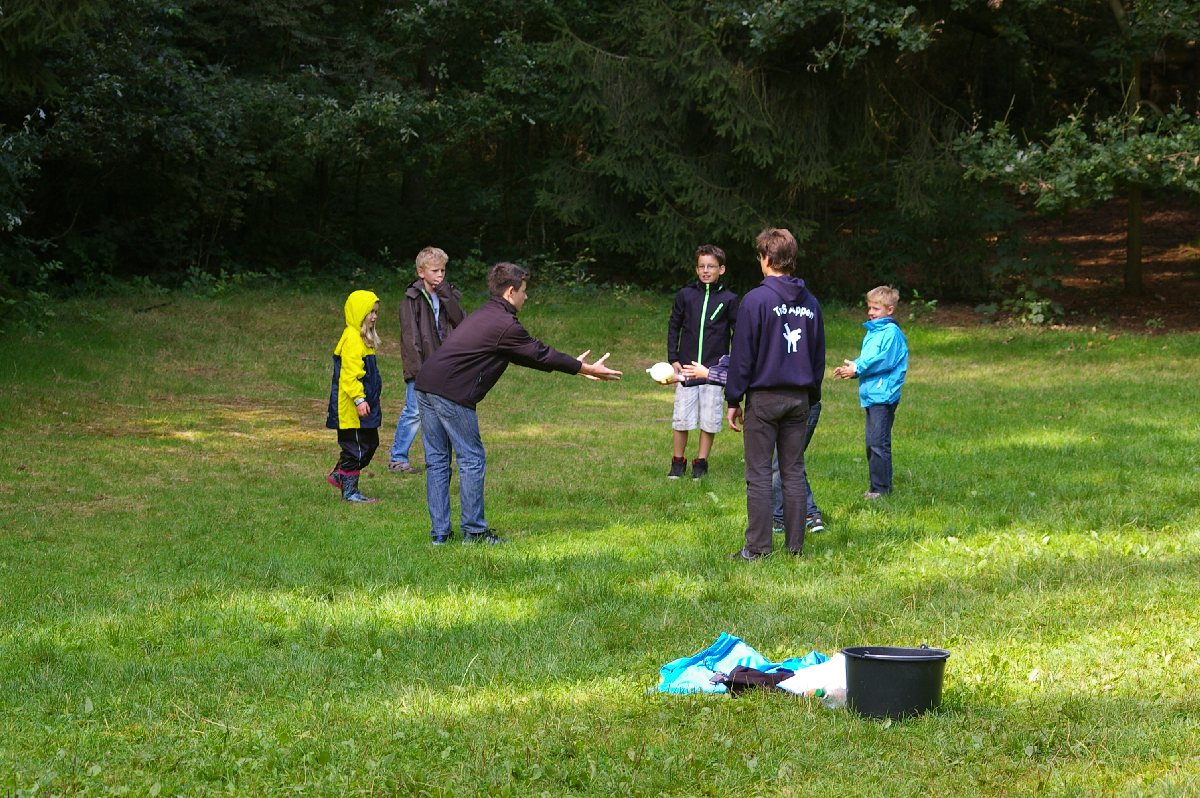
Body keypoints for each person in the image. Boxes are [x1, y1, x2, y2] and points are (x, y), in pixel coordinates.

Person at [414, 262, 622, 545]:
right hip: (450, 391)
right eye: (524, 291)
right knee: (471, 459)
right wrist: (583, 368)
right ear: (511, 292)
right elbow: (539, 352)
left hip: (426, 383)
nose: (527, 296)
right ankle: (474, 532)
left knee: (438, 461)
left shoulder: (487, 314)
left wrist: (576, 368)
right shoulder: (504, 324)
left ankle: (440, 535)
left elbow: (525, 354)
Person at [724, 228, 825, 560]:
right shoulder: (811, 303)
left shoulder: (756, 300)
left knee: (759, 473)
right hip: (799, 398)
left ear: (766, 258)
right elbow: (818, 354)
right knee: (793, 471)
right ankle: (795, 547)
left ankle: (757, 548)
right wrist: (812, 394)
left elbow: (742, 355)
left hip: (765, 398)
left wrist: (733, 398)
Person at [683, 356, 826, 534]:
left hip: (797, 404)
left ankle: (797, 517)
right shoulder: (754, 343)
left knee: (784, 465)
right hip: (789, 402)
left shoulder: (775, 346)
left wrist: (709, 374)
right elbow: (735, 364)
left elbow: (753, 378)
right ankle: (792, 517)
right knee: (788, 464)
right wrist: (685, 377)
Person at [388, 246, 465, 475]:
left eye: (443, 271)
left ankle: (440, 458)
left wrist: (446, 295)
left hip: (446, 365)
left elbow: (462, 322)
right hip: (421, 367)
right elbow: (409, 338)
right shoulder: (411, 299)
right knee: (414, 411)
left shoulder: (449, 294)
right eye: (435, 271)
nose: (440, 275)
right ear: (421, 272)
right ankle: (398, 458)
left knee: (445, 410)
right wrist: (417, 371)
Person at [665, 244, 739, 479]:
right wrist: (673, 357)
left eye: (711, 266)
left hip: (712, 371)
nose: (706, 271)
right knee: (681, 418)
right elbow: (674, 326)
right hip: (687, 368)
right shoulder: (685, 295)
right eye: (702, 266)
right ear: (697, 269)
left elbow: (737, 334)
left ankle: (701, 462)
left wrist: (730, 364)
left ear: (721, 269)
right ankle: (678, 462)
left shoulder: (729, 299)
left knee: (709, 419)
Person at [832, 285, 909, 499]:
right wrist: (853, 366)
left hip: (883, 395)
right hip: (873, 394)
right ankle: (878, 487)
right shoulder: (874, 332)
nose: (871, 312)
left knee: (878, 443)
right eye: (869, 308)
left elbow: (883, 360)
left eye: (876, 308)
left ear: (890, 310)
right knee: (872, 442)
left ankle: (881, 490)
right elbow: (869, 358)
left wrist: (858, 368)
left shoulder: (891, 333)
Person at [325, 290, 384, 503]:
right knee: (356, 448)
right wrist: (359, 399)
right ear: (359, 312)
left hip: (366, 405)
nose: (374, 317)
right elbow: (349, 375)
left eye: (376, 312)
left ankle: (339, 474)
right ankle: (350, 492)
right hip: (352, 408)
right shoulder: (351, 339)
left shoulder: (362, 339)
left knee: (370, 443)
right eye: (370, 312)